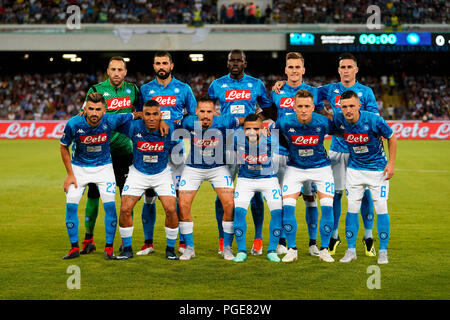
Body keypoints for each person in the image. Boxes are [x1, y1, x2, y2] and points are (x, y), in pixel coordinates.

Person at [208, 49, 272, 256]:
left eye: (239, 60)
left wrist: (258, 121)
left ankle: (258, 239)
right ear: (227, 63)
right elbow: (206, 111)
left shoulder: (256, 84)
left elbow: (269, 111)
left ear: (245, 63)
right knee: (223, 195)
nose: (235, 63)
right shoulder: (216, 85)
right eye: (232, 60)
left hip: (252, 145)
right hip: (225, 144)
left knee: (256, 194)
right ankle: (222, 239)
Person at [60, 92, 139, 260]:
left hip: (104, 168)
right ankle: (74, 247)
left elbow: (134, 115)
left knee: (110, 206)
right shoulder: (74, 123)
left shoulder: (110, 120)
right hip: (79, 169)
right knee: (71, 206)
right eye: (90, 109)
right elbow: (63, 146)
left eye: (98, 109)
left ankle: (109, 248)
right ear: (85, 109)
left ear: (104, 110)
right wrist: (69, 174)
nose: (94, 113)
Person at [316, 53, 379, 257]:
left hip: (360, 153)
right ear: (338, 70)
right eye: (342, 67)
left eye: (349, 67)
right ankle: (335, 235)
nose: (346, 70)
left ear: (356, 70)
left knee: (365, 194)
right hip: (337, 150)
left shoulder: (366, 92)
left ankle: (368, 237)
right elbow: (306, 93)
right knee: (336, 194)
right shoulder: (330, 89)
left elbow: (374, 122)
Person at [269, 51, 331, 257]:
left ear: (303, 70)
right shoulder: (276, 92)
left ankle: (313, 243)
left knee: (310, 198)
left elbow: (321, 116)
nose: (294, 70)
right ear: (285, 70)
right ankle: (283, 241)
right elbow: (271, 115)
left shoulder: (313, 92)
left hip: (307, 155)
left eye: (297, 67)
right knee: (282, 199)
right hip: (281, 152)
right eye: (290, 67)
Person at [79, 56, 140, 255]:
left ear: (125, 72)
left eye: (120, 69)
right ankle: (88, 239)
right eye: (113, 69)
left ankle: (125, 241)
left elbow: (141, 113)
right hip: (101, 153)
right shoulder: (95, 90)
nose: (116, 73)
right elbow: (84, 115)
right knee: (94, 195)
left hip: (125, 152)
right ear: (107, 71)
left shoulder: (133, 90)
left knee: (126, 197)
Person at [138, 51, 197, 255]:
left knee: (179, 197)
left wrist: (180, 125)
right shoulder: (145, 89)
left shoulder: (184, 89)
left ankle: (181, 242)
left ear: (172, 65)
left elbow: (193, 116)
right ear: (153, 66)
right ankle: (148, 242)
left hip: (177, 151)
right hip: (151, 148)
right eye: (157, 63)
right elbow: (139, 117)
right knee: (149, 195)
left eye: (165, 63)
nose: (161, 66)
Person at [176, 97, 243, 261]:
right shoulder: (188, 121)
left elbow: (243, 120)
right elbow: (173, 124)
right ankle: (189, 248)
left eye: (209, 112)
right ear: (196, 112)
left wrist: (262, 126)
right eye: (202, 111)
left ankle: (227, 247)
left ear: (215, 113)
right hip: (193, 168)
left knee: (229, 203)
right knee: (183, 203)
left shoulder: (225, 121)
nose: (205, 115)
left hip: (217, 168)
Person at [333, 91, 397, 264]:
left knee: (381, 208)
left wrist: (391, 164)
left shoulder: (373, 120)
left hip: (378, 170)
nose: (348, 110)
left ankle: (383, 251)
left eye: (352, 106)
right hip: (354, 170)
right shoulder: (339, 120)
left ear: (359, 105)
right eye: (344, 106)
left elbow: (391, 136)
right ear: (340, 107)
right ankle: (351, 250)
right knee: (352, 209)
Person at [114, 100, 179, 261]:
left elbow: (192, 123)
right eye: (147, 114)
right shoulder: (134, 127)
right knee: (125, 209)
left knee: (171, 209)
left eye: (155, 114)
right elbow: (111, 121)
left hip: (162, 173)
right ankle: (127, 249)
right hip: (138, 173)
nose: (151, 118)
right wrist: (132, 115)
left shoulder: (169, 128)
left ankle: (170, 250)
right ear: (143, 115)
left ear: (160, 115)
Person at [232, 114, 283, 263]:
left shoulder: (272, 140)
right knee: (239, 212)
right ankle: (241, 251)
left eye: (256, 128)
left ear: (263, 129)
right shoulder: (236, 139)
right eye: (248, 129)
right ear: (243, 129)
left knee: (276, 211)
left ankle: (272, 250)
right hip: (245, 180)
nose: (252, 132)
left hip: (268, 179)